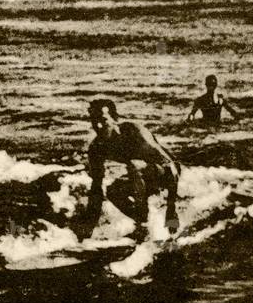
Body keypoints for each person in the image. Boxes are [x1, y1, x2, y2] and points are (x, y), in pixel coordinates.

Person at [74, 99, 180, 242]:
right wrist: (85, 234)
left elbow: (170, 165)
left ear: (114, 120)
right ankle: (143, 223)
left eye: (103, 120)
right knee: (112, 191)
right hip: (141, 177)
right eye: (94, 121)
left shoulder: (134, 132)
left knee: (134, 166)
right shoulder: (96, 148)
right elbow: (96, 190)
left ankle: (151, 222)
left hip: (166, 172)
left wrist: (171, 209)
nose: (98, 125)